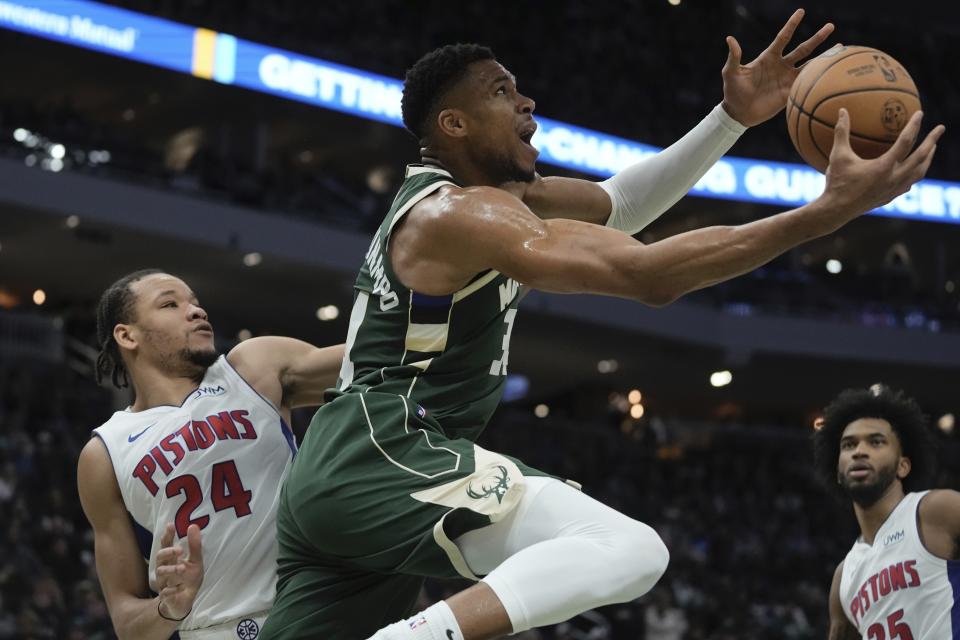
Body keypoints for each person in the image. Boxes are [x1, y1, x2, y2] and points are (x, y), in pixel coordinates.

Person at [261, 9, 946, 640]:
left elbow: (621, 204)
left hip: (342, 474)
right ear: (454, 126)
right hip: (384, 452)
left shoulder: (498, 202)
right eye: (501, 92)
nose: (527, 102)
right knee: (628, 550)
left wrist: (730, 120)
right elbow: (649, 276)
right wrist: (823, 215)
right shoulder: (459, 214)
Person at [76, 269, 343, 640]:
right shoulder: (104, 453)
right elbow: (128, 625)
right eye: (171, 304)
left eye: (196, 303)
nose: (196, 311)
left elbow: (376, 364)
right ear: (127, 335)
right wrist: (168, 607)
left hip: (316, 611)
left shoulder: (252, 368)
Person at [814, 385, 960, 639]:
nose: (859, 451)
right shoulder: (843, 577)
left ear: (902, 466)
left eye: (876, 442)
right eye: (848, 445)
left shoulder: (935, 510)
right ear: (837, 471)